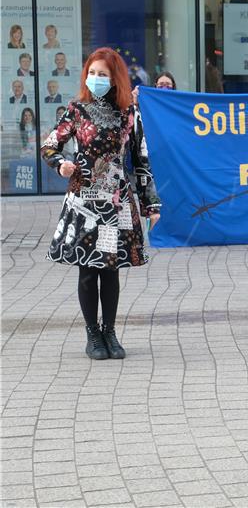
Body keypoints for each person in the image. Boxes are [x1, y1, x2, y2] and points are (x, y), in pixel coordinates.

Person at [40, 47, 161, 361]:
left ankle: (110, 331)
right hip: (83, 202)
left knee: (111, 271)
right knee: (87, 270)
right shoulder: (77, 109)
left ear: (114, 77)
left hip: (117, 204)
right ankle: (92, 334)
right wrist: (60, 164)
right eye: (91, 73)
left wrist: (151, 205)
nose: (96, 79)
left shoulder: (129, 113)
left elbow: (142, 160)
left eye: (102, 74)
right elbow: (50, 145)